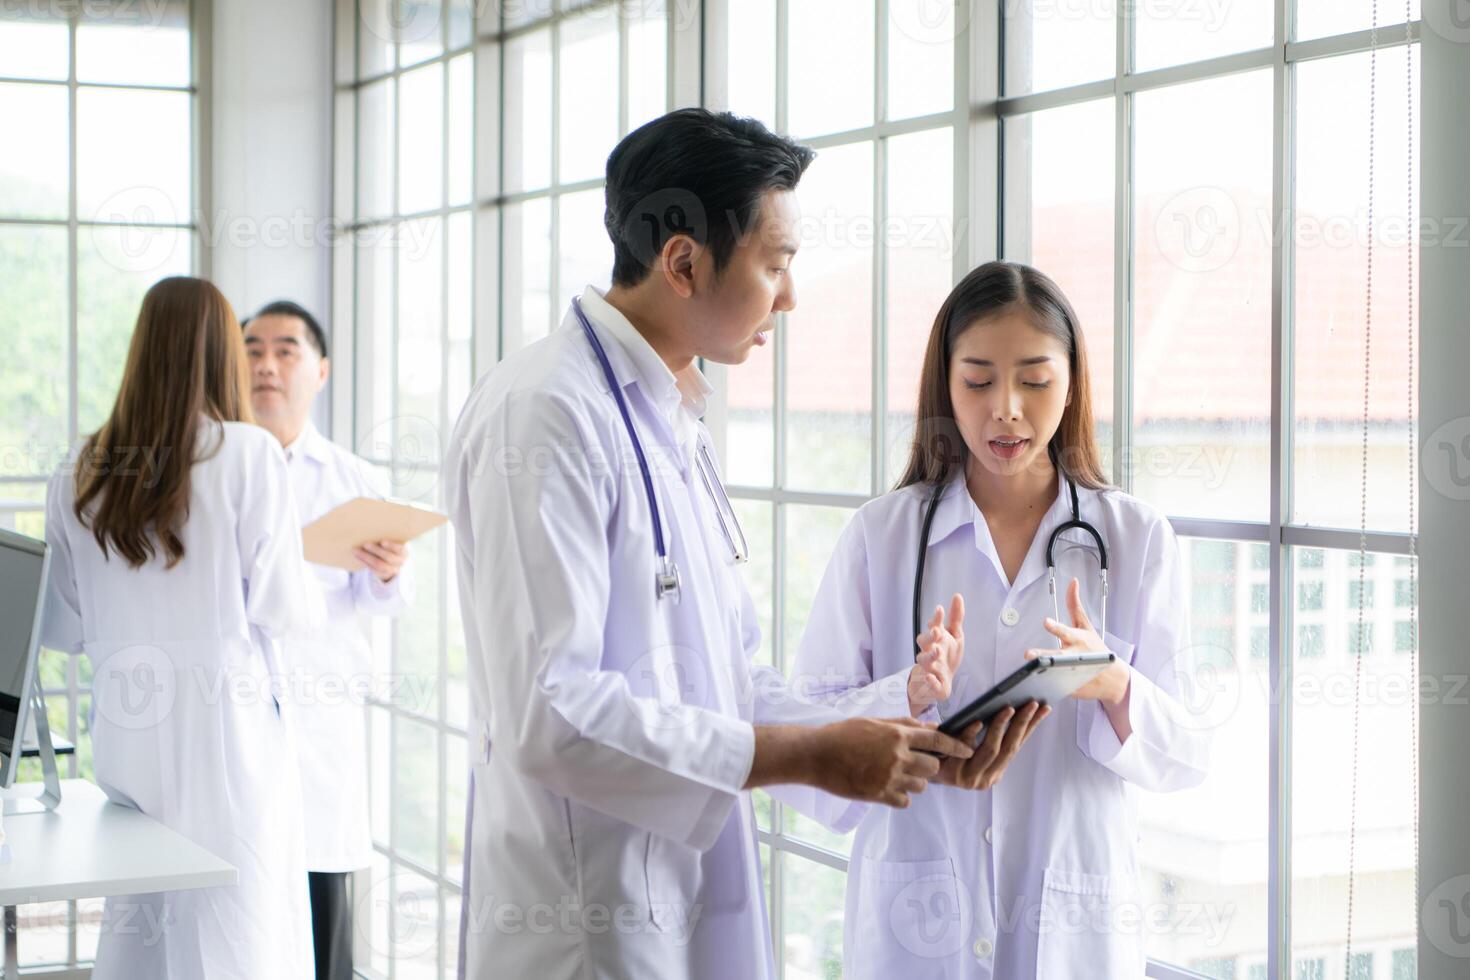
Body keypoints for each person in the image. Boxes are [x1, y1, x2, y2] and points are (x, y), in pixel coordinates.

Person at [443, 107, 974, 980]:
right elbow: (552, 717)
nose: (790, 296)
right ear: (683, 261)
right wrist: (811, 756)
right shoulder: (547, 413)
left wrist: (888, 707)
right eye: (776, 266)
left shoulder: (672, 413)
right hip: (584, 925)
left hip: (678, 897)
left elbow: (726, 680)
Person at [791, 261, 1212, 977]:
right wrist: (908, 694)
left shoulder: (1135, 538)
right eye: (978, 381)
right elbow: (805, 746)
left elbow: (1187, 756)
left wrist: (1112, 683)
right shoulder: (882, 535)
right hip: (915, 920)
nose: (1006, 410)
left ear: (1072, 381)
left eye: (1035, 381)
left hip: (1072, 923)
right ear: (945, 385)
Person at [40, 276, 315, 979]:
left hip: (128, 731)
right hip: (228, 734)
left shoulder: (79, 467)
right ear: (222, 353)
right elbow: (283, 611)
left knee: (141, 926)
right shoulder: (250, 456)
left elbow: (63, 627)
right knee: (239, 931)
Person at [243, 299, 413, 980]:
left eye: (285, 350)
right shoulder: (214, 474)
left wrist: (389, 570)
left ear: (321, 370)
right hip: (237, 718)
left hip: (320, 727)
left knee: (324, 931)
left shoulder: (354, 481)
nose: (266, 364)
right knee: (244, 920)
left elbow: (386, 601)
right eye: (252, 349)